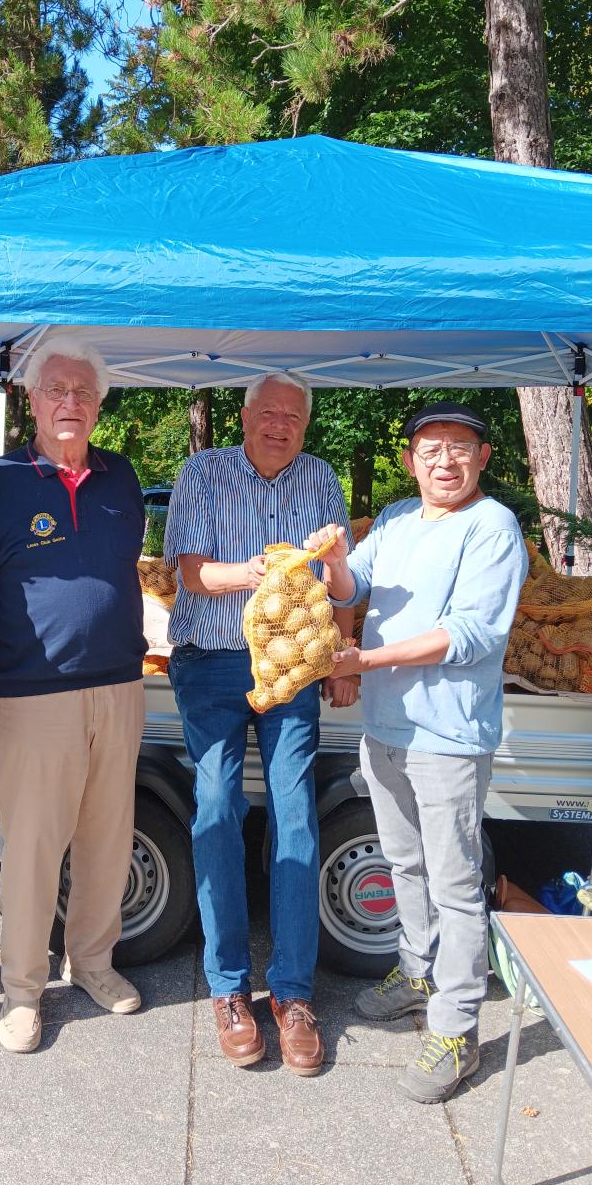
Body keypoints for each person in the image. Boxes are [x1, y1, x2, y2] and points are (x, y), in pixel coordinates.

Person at [311, 400, 528, 1103]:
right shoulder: (401, 516)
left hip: (448, 738)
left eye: (459, 447)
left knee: (457, 882)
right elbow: (355, 585)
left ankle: (458, 1025)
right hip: (387, 729)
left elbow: (467, 633)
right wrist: (339, 562)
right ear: (411, 459)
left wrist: (363, 659)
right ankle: (415, 969)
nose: (444, 460)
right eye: (430, 448)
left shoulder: (492, 527)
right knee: (403, 860)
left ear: (484, 457)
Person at [164, 372, 356, 1076]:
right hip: (212, 664)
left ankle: (296, 993)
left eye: (293, 417)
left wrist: (342, 652)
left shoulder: (319, 478)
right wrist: (256, 573)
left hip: (293, 669)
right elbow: (189, 572)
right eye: (268, 413)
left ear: (305, 426)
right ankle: (228, 986)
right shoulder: (204, 472)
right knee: (215, 806)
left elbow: (341, 581)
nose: (280, 425)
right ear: (244, 417)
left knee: (296, 814)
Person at [0, 336, 147, 1055]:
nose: (70, 403)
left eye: (84, 392)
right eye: (56, 390)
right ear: (33, 401)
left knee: (107, 837)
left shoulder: (122, 477)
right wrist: (21, 656)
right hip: (35, 694)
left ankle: (93, 963)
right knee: (34, 846)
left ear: (99, 405)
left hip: (120, 685)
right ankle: (21, 992)